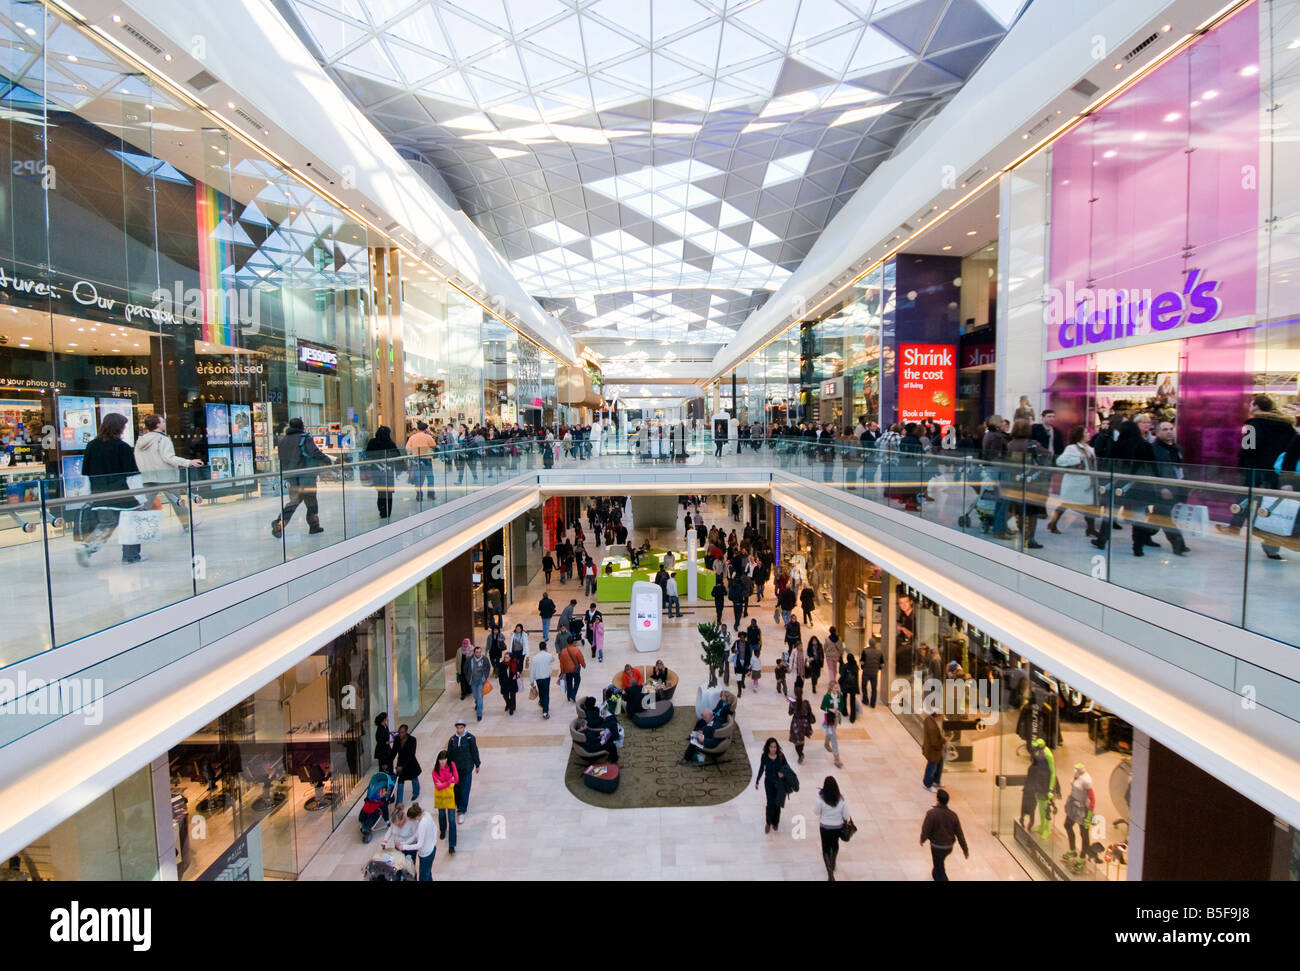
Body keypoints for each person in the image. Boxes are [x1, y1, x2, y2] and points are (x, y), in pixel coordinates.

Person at [77, 412, 146, 566]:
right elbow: (132, 475)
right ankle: (131, 556)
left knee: (107, 523)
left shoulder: (91, 446)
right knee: (131, 524)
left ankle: (88, 546)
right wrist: (140, 498)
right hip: (123, 494)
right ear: (119, 427)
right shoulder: (123, 447)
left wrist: (88, 495)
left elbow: (86, 473)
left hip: (100, 493)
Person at [134, 414, 203, 530]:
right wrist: (188, 462)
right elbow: (168, 457)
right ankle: (187, 525)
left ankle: (138, 527)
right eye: (163, 422)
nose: (165, 424)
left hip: (147, 476)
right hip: (166, 477)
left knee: (145, 504)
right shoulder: (162, 439)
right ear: (157, 424)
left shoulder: (141, 441)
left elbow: (137, 459)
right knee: (177, 501)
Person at [271, 418, 329, 537]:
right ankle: (313, 526)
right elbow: (314, 452)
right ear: (302, 426)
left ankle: (281, 523)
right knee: (311, 500)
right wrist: (326, 460)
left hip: (291, 476)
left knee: (295, 501)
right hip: (306, 474)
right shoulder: (304, 438)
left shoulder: (282, 441)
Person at [1048, 426, 1099, 536]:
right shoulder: (1072, 448)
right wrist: (1077, 459)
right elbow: (1060, 461)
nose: (1088, 434)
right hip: (1075, 483)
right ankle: (1053, 524)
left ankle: (1090, 528)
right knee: (1066, 504)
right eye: (1085, 432)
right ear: (1080, 435)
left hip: (1087, 482)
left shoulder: (1089, 448)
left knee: (1090, 506)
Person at [1149, 420, 1190, 555]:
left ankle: (1142, 535)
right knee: (1165, 517)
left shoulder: (1176, 449)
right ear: (1157, 432)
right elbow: (1153, 471)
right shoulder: (1153, 449)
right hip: (1164, 489)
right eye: (1165, 429)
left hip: (1177, 487)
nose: (1169, 431)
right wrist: (1161, 487)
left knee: (1157, 517)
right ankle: (1179, 544)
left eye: (1171, 428)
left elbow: (1181, 469)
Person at [1006, 418, 1048, 549]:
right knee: (1032, 511)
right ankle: (1030, 538)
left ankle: (1021, 533)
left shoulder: (1010, 444)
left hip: (1014, 480)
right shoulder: (1032, 444)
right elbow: (1047, 454)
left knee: (1018, 509)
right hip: (1030, 481)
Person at [920, 788, 970, 880]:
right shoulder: (953, 815)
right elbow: (960, 834)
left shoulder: (931, 814)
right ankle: (935, 875)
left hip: (937, 846)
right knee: (938, 867)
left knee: (940, 870)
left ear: (937, 799)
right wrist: (965, 850)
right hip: (948, 847)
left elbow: (926, 829)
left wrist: (922, 839)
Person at [814, 776, 850, 881]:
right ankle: (833, 862)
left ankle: (830, 873)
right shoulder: (841, 799)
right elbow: (846, 816)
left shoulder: (820, 799)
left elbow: (816, 812)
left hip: (824, 826)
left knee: (825, 848)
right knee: (835, 845)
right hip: (837, 827)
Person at [754, 737, 792, 833]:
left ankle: (776, 822)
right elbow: (761, 768)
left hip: (779, 784)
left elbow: (787, 767)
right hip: (769, 783)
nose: (773, 749)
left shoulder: (780, 756)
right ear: (768, 747)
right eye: (771, 747)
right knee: (770, 803)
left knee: (777, 803)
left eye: (775, 747)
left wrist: (782, 773)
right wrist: (757, 780)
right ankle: (768, 822)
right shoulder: (765, 756)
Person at [363, 425, 402, 519]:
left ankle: (382, 510)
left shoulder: (372, 442)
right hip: (388, 470)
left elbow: (367, 454)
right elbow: (397, 456)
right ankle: (388, 511)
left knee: (380, 491)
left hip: (376, 469)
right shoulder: (390, 443)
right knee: (388, 491)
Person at [447, 719, 481, 822]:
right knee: (456, 788)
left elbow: (474, 751)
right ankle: (458, 805)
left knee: (465, 789)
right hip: (456, 769)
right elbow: (449, 755)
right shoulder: (452, 740)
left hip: (467, 768)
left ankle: (462, 810)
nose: (459, 730)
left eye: (461, 727)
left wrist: (477, 764)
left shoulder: (470, 738)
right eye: (458, 728)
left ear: (464, 727)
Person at [396, 802, 436, 881]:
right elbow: (416, 835)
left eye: (411, 819)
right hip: (431, 849)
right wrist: (404, 843)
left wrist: (404, 847)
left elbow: (419, 845)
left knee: (423, 878)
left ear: (416, 817)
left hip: (426, 854)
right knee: (427, 874)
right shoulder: (427, 814)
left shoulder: (422, 824)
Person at [430, 750, 460, 855]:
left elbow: (456, 780)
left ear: (447, 759)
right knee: (441, 814)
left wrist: (443, 783)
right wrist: (449, 782)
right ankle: (443, 829)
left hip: (450, 797)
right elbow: (438, 786)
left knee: (452, 820)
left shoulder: (452, 765)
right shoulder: (435, 771)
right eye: (440, 760)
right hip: (440, 797)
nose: (442, 762)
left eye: (444, 759)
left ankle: (452, 844)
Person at [405, 420, 436, 501]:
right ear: (426, 429)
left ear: (418, 428)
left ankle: (419, 495)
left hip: (416, 459)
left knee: (418, 477)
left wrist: (414, 451)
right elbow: (434, 446)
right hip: (427, 459)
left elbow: (407, 448)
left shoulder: (412, 437)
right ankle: (431, 494)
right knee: (430, 477)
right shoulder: (428, 437)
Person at [788, 677, 815, 763]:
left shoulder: (793, 703)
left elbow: (790, 713)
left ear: (795, 694)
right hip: (804, 723)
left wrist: (790, 702)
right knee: (802, 739)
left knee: (796, 741)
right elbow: (809, 711)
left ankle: (800, 754)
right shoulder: (806, 702)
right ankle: (801, 753)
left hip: (796, 722)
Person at [393, 723, 421, 805]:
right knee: (400, 783)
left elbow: (411, 755)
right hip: (400, 764)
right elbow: (394, 752)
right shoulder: (397, 739)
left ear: (406, 732)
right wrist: (388, 761)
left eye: (402, 732)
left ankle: (416, 793)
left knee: (414, 778)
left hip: (410, 764)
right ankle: (399, 802)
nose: (400, 734)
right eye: (399, 732)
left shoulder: (412, 740)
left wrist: (402, 766)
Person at [820, 682, 846, 768]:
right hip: (830, 717)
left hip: (836, 717)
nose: (837, 689)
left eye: (837, 687)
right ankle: (836, 758)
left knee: (831, 732)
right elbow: (822, 706)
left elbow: (842, 704)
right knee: (834, 737)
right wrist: (830, 709)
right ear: (831, 688)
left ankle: (826, 743)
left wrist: (839, 710)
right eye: (835, 688)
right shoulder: (826, 697)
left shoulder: (839, 695)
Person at [922, 707, 946, 792]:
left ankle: (936, 780)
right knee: (932, 767)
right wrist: (944, 740)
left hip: (935, 750)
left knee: (939, 764)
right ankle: (927, 784)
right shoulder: (932, 726)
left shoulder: (929, 720)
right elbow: (935, 742)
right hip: (933, 750)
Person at [530, 641, 555, 719]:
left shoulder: (535, 658)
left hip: (538, 678)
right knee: (546, 694)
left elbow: (532, 670)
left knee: (541, 691)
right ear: (545, 647)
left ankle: (541, 701)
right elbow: (553, 659)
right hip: (546, 678)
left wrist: (531, 681)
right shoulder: (549, 656)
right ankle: (545, 711)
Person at [466, 644, 491, 722]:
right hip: (473, 681)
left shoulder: (484, 659)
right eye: (477, 652)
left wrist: (484, 677)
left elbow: (488, 668)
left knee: (480, 697)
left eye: (480, 652)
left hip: (481, 681)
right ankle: (477, 703)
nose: (478, 654)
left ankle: (479, 714)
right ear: (474, 653)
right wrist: (468, 677)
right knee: (475, 695)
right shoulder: (469, 660)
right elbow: (465, 669)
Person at [558, 634, 586, 702]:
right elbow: (581, 659)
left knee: (569, 683)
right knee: (577, 681)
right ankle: (573, 695)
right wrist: (583, 665)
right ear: (573, 642)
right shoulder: (576, 650)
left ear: (567, 642)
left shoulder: (563, 651)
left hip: (567, 670)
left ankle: (569, 696)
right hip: (575, 670)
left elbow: (561, 663)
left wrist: (562, 671)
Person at [860, 637, 884, 709]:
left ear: (869, 643)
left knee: (864, 686)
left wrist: (863, 668)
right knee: (874, 688)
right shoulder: (879, 652)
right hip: (874, 673)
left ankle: (865, 700)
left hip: (866, 672)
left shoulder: (865, 651)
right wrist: (878, 668)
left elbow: (862, 662)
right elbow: (882, 664)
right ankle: (873, 703)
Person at [839, 650, 860, 723]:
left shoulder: (845, 666)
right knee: (852, 701)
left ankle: (844, 712)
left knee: (844, 698)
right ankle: (852, 717)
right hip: (853, 686)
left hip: (845, 685)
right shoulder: (856, 667)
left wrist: (839, 682)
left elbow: (842, 676)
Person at [497, 650, 519, 715]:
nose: (505, 659)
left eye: (507, 657)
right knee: (505, 695)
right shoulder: (501, 664)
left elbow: (518, 671)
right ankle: (508, 704)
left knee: (512, 695)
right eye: (505, 657)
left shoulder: (514, 663)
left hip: (512, 682)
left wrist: (516, 675)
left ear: (510, 658)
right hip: (504, 683)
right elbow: (500, 675)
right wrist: (500, 683)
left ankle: (512, 707)